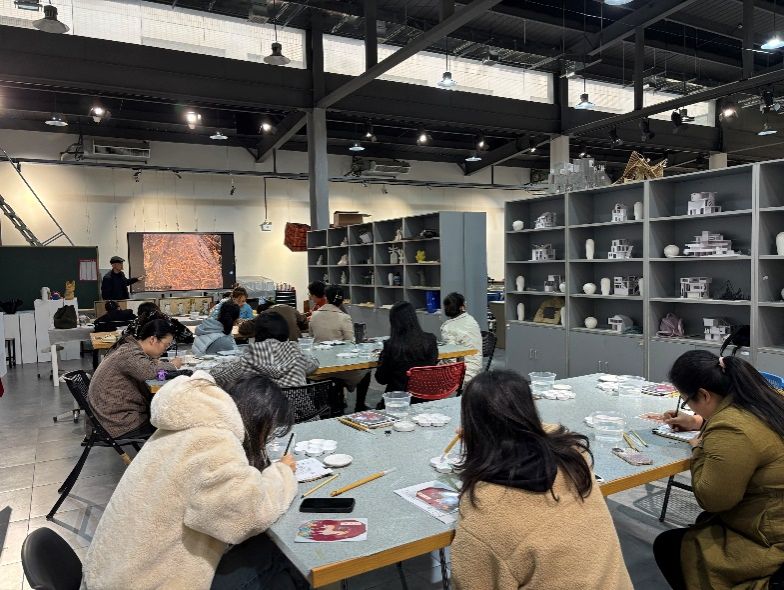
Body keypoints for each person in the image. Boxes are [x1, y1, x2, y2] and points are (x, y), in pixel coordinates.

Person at [82, 373, 307, 590]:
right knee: (279, 558)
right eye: (269, 432)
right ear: (259, 421)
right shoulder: (214, 442)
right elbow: (247, 515)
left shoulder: (185, 426)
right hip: (150, 582)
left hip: (112, 574)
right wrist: (282, 474)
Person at [450, 370, 633, 590]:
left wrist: (480, 437)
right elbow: (550, 431)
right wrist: (512, 428)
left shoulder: (483, 513)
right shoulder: (574, 457)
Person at [653, 351, 784, 590]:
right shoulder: (767, 398)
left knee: (669, 546)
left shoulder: (731, 428)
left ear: (704, 395)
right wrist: (698, 421)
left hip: (771, 538)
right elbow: (754, 430)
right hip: (773, 514)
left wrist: (698, 449)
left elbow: (713, 500)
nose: (688, 407)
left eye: (687, 402)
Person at [88, 319, 182, 439]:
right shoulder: (129, 353)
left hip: (109, 417)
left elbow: (154, 373)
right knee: (173, 422)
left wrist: (157, 365)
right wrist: (173, 365)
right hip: (116, 423)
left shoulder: (129, 348)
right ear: (153, 339)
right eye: (166, 345)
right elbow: (150, 373)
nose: (166, 349)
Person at [211, 312, 318, 393]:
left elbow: (215, 375)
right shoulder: (296, 354)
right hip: (302, 414)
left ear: (257, 332)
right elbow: (314, 364)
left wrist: (232, 361)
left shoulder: (247, 360)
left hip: (263, 416)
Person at [309, 285, 371, 412]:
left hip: (319, 366)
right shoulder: (344, 317)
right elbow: (350, 343)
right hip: (339, 367)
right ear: (342, 300)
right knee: (366, 370)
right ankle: (360, 405)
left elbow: (311, 336)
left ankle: (336, 401)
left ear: (326, 298)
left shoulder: (314, 315)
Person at [375, 301, 438, 401]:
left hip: (398, 400)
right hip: (425, 397)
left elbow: (381, 379)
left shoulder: (391, 345)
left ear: (393, 322)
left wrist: (381, 358)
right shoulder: (430, 340)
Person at [440, 292, 483, 383]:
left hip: (463, 374)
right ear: (462, 306)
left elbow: (451, 358)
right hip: (477, 369)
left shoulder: (448, 327)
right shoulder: (471, 320)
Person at [238, 300, 308, 341]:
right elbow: (305, 323)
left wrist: (241, 323)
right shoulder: (291, 308)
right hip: (297, 346)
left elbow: (244, 329)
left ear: (262, 311)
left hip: (275, 350)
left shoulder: (266, 314)